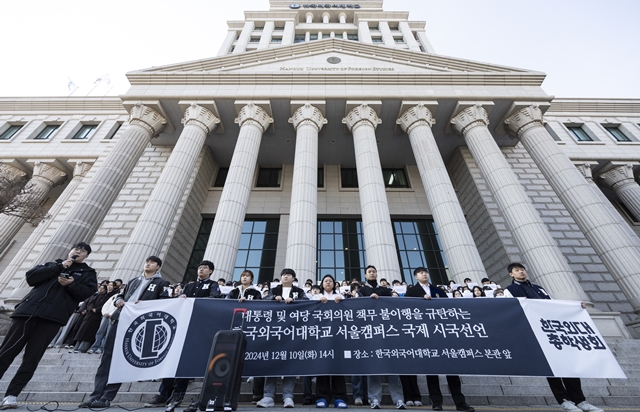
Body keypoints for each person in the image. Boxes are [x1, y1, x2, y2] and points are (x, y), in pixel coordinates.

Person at [0, 242, 97, 410]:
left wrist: (71, 284)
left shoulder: (88, 273)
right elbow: (31, 277)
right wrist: (59, 267)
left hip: (52, 318)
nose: (77, 252)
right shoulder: (53, 264)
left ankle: (11, 395)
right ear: (70, 251)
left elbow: (87, 293)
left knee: (31, 359)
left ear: (86, 256)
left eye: (82, 251)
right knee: (6, 352)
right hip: (27, 313)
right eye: (76, 249)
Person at [504, 263, 603, 412]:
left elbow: (554, 305)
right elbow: (511, 309)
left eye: (522, 269)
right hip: (535, 332)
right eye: (517, 270)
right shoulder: (510, 290)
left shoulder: (538, 288)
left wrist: (575, 306)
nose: (521, 272)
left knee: (569, 365)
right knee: (552, 367)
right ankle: (563, 400)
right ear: (511, 274)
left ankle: (580, 400)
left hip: (553, 330)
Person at [78, 256, 170, 409]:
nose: (147, 263)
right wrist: (118, 301)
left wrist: (147, 305)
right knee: (106, 357)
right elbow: (121, 295)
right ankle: (95, 395)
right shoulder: (134, 281)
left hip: (138, 326)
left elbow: (164, 302)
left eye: (152, 262)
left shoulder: (161, 283)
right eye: (146, 261)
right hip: (118, 320)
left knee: (121, 360)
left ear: (158, 267)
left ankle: (107, 397)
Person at [145, 260, 218, 408]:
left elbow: (215, 299)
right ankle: (163, 393)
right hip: (180, 326)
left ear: (210, 271)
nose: (201, 269)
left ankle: (178, 394)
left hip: (196, 328)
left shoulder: (212, 285)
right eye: (200, 267)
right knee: (171, 359)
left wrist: (195, 301)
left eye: (205, 268)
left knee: (186, 361)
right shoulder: (189, 286)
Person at [405, 268, 474, 412]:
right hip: (425, 335)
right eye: (421, 273)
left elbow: (448, 308)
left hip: (443, 333)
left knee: (452, 370)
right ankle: (436, 402)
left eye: (426, 272)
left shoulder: (438, 290)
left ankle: (460, 402)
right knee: (432, 371)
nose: (424, 274)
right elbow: (408, 310)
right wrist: (421, 302)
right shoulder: (411, 292)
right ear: (415, 276)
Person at [257, 268, 309, 408]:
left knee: (290, 362)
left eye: (289, 275)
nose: (285, 277)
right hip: (275, 331)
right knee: (272, 361)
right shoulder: (275, 290)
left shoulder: (299, 291)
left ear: (293, 278)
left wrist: (295, 300)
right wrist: (274, 299)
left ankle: (288, 396)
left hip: (293, 331)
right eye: (284, 275)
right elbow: (264, 300)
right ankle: (268, 396)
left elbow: (306, 302)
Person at [358, 265, 405, 410]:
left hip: (387, 332)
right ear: (365, 275)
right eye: (369, 272)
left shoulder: (386, 290)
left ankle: (398, 399)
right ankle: (374, 399)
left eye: (374, 272)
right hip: (370, 332)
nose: (372, 273)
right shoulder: (361, 290)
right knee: (374, 368)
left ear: (377, 274)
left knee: (392, 368)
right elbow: (358, 307)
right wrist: (369, 300)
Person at [312, 275, 347, 409]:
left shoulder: (340, 297)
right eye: (325, 281)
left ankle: (340, 398)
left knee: (338, 367)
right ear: (322, 284)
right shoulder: (316, 297)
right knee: (323, 366)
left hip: (337, 336)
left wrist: (342, 302)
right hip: (321, 337)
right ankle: (322, 397)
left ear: (334, 284)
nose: (328, 283)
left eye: (330, 281)